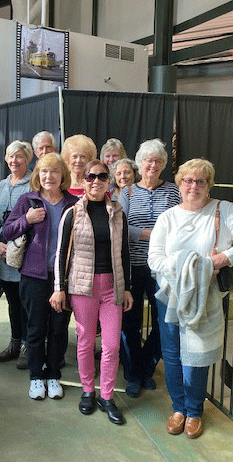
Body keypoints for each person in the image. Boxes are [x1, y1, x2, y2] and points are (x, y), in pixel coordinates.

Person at [148, 158, 233, 439]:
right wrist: (184, 270)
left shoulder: (223, 210)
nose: (194, 186)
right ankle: (178, 408)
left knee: (197, 356)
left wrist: (223, 258)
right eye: (188, 180)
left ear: (209, 185)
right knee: (173, 354)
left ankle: (194, 410)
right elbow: (154, 259)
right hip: (171, 296)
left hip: (207, 298)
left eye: (201, 181)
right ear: (179, 184)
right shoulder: (168, 218)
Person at [50, 160, 133, 425]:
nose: (96, 181)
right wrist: (59, 288)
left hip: (112, 287)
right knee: (85, 341)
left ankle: (106, 395)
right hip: (82, 287)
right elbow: (62, 253)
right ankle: (88, 389)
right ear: (83, 181)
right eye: (90, 177)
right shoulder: (72, 214)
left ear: (109, 181)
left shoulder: (119, 214)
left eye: (101, 176)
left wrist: (127, 288)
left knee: (111, 344)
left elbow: (125, 253)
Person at [1, 153, 78, 400]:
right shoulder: (28, 201)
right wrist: (27, 219)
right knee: (34, 329)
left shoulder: (74, 203)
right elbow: (7, 230)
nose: (49, 176)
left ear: (62, 175)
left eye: (54, 171)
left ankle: (53, 374)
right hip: (34, 277)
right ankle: (36, 376)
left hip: (63, 279)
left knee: (58, 329)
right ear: (37, 176)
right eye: (44, 172)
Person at [117, 139, 181, 398]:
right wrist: (148, 235)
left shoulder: (174, 191)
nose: (152, 165)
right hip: (133, 266)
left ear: (163, 164)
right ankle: (132, 373)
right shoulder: (128, 192)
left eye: (157, 161)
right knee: (129, 322)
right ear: (140, 163)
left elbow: (178, 224)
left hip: (162, 269)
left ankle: (147, 368)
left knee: (162, 321)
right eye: (147, 160)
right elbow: (120, 226)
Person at [0, 141, 33, 368]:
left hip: (24, 256)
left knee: (26, 302)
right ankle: (15, 342)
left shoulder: (33, 184)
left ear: (28, 159)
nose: (14, 161)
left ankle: (28, 345)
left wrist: (17, 246)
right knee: (12, 303)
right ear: (6, 159)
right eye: (11, 156)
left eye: (19, 157)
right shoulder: (1, 185)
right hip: (3, 255)